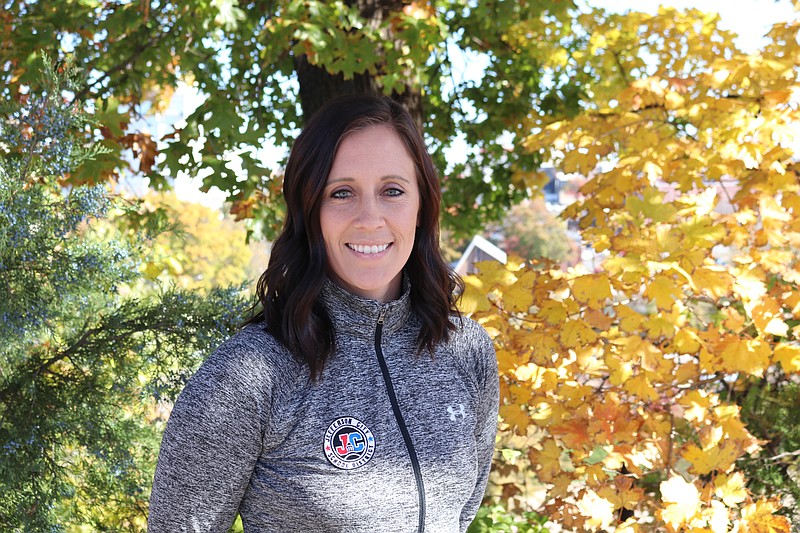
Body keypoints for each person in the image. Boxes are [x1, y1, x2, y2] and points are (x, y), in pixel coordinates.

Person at [148, 94, 499, 532]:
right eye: (341, 193)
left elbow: (461, 515)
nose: (370, 218)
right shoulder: (249, 375)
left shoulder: (466, 351)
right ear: (309, 210)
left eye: (392, 191)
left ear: (422, 205)